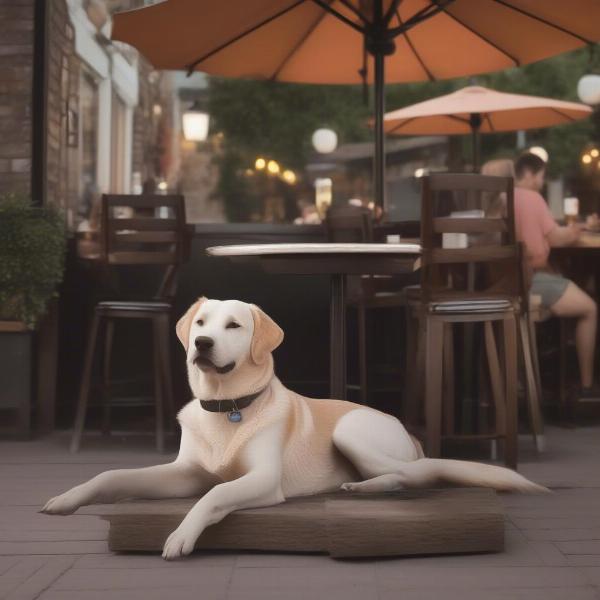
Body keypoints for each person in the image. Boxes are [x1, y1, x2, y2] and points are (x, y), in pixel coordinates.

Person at [512, 152, 598, 399]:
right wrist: (577, 229)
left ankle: (561, 370)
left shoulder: (502, 196)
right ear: (529, 174)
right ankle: (586, 386)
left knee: (563, 282)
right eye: (540, 176)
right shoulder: (532, 197)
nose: (541, 181)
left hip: (509, 282)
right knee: (590, 307)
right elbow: (556, 237)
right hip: (529, 282)